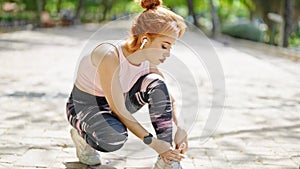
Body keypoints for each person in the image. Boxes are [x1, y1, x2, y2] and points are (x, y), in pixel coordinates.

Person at [65, 0, 188, 168]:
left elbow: (169, 99)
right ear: (145, 39)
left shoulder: (148, 61)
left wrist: (181, 128)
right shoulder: (109, 55)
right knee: (113, 137)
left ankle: (167, 159)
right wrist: (153, 143)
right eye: (164, 46)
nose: (167, 53)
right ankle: (83, 136)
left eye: (170, 48)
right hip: (85, 106)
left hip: (118, 103)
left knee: (157, 84)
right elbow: (119, 110)